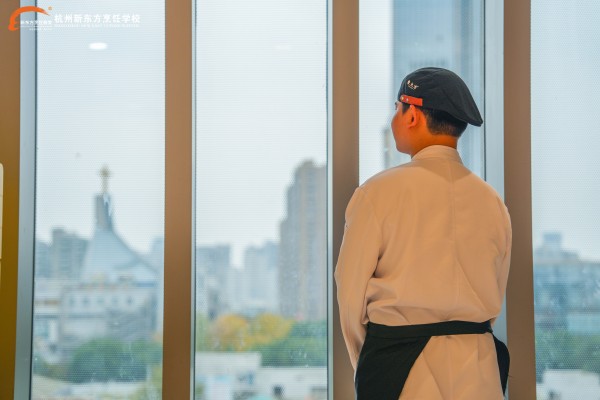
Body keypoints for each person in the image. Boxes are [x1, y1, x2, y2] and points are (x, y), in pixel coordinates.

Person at [334, 67, 511, 400]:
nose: (394, 119)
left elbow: (349, 294)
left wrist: (372, 360)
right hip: (480, 370)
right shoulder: (492, 201)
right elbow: (496, 292)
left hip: (401, 371)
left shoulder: (377, 193)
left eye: (397, 109)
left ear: (412, 114)